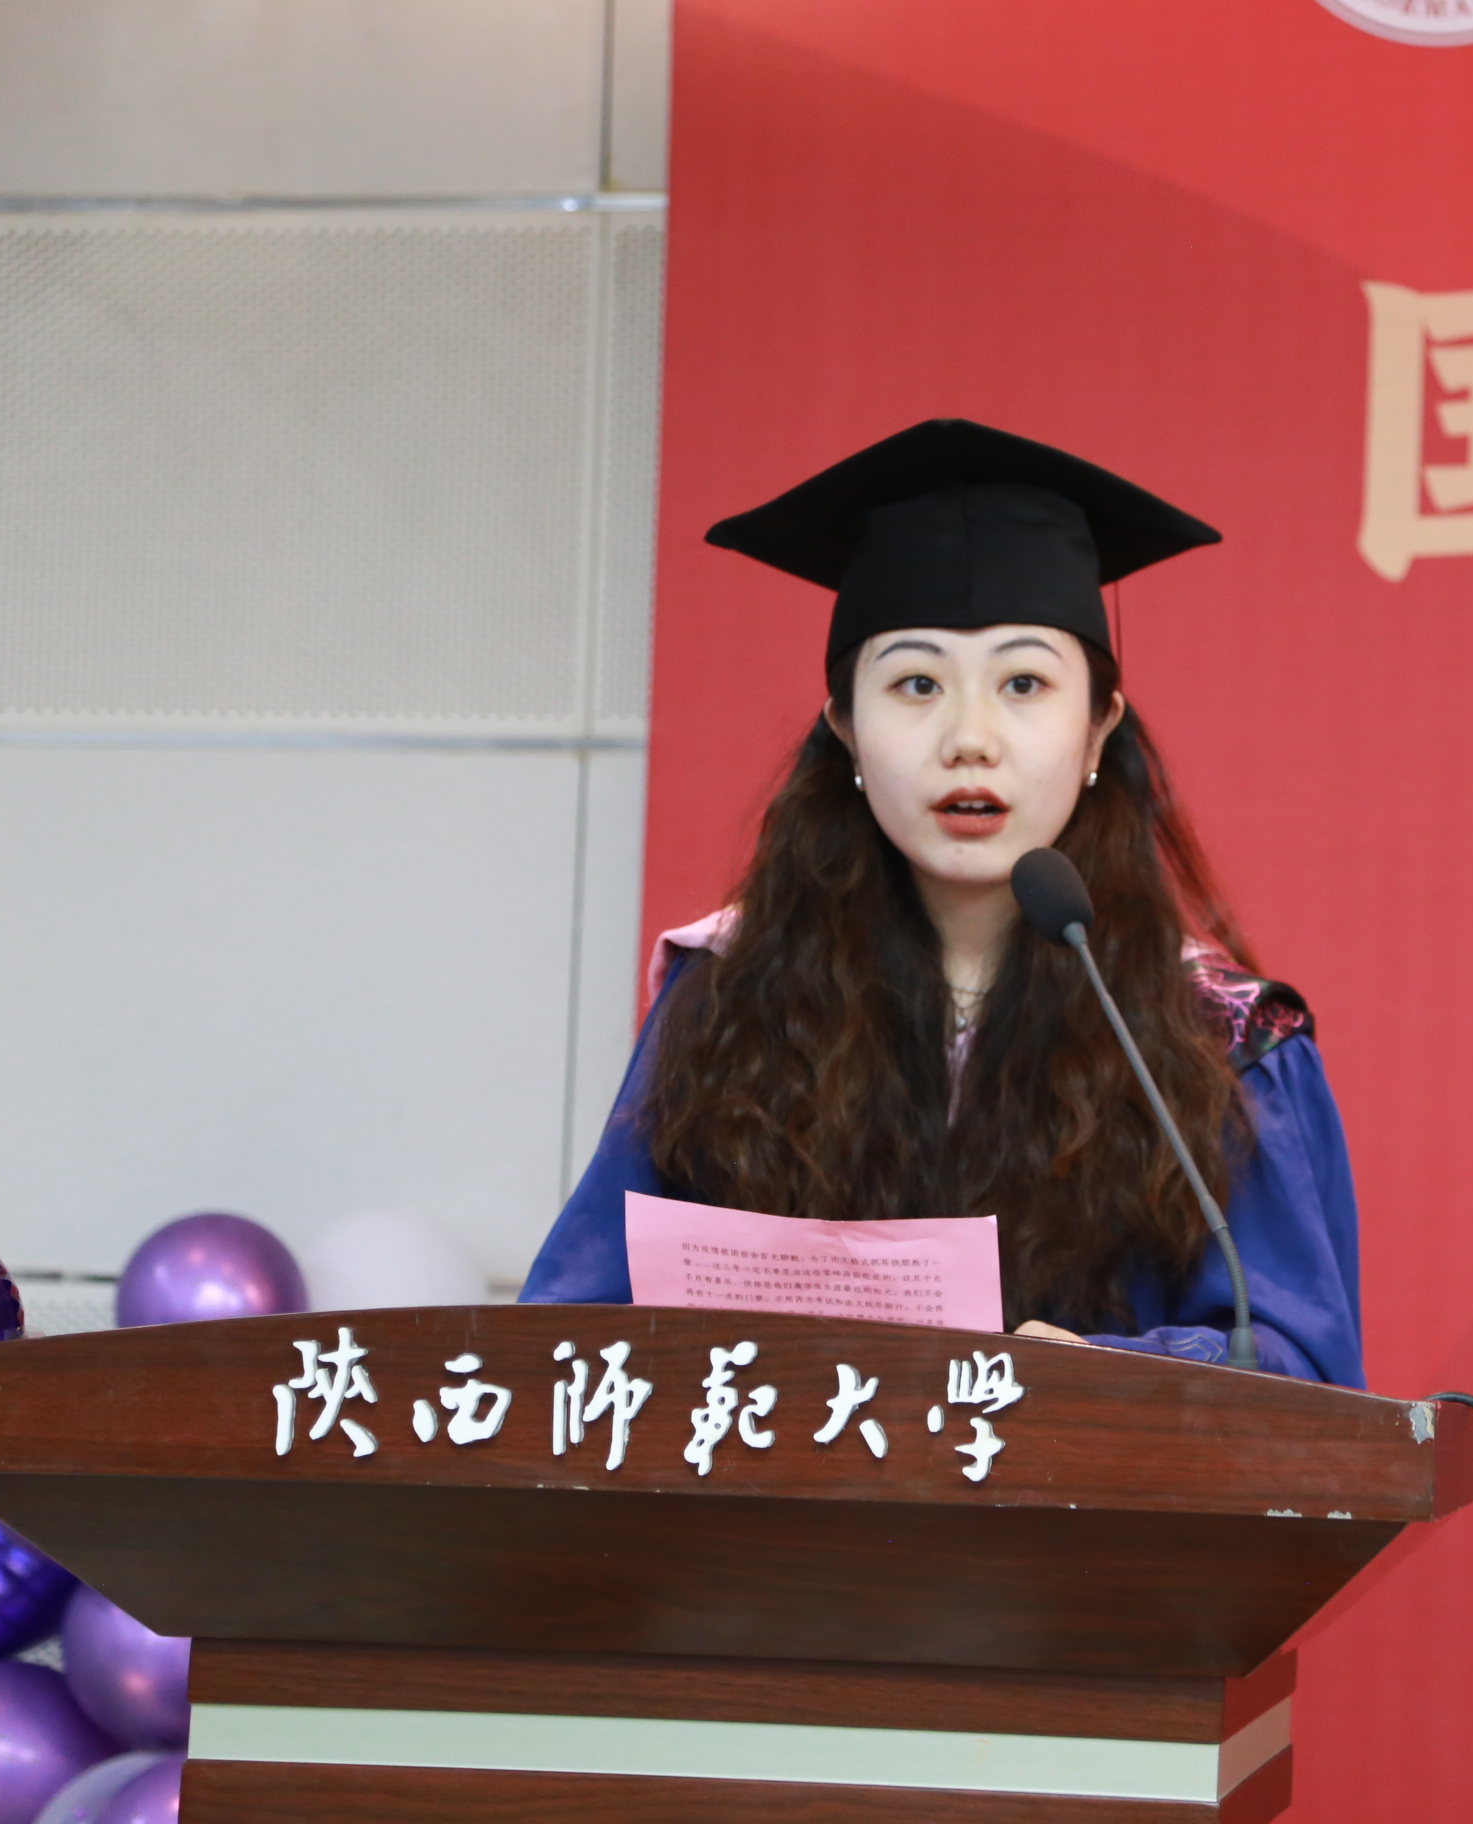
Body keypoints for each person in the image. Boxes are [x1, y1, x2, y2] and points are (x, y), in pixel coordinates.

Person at [521, 420, 1363, 1387]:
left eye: (1024, 684)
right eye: (917, 684)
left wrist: (1094, 1374)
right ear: (845, 727)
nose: (970, 737)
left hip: (1084, 1487)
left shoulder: (1220, 1040)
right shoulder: (726, 999)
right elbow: (573, 1329)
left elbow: (1300, 1366)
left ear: (1098, 729)